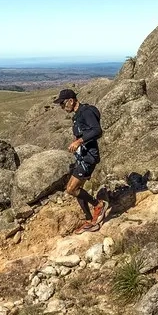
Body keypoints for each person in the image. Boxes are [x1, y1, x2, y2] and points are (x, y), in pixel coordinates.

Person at [56, 88, 108, 234]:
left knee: (71, 189)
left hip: (89, 157)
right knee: (77, 189)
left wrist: (79, 141)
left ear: (71, 100)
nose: (61, 107)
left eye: (62, 103)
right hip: (83, 156)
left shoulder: (86, 112)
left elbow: (97, 130)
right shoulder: (77, 115)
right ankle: (90, 220)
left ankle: (98, 205)